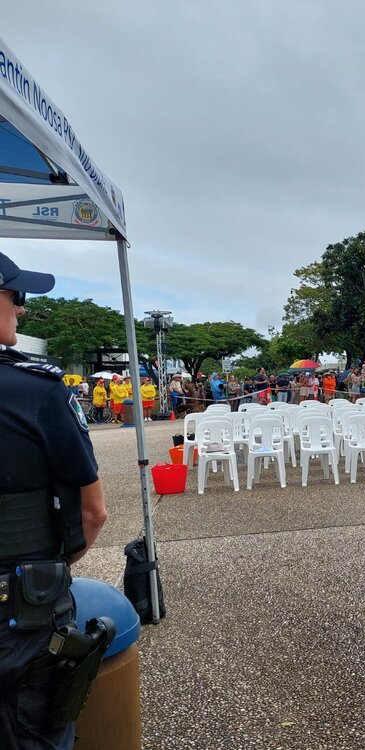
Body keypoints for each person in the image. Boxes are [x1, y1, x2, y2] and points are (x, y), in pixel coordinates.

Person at [0, 251, 108, 749]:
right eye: (16, 296)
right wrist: (51, 569)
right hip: (23, 615)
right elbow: (92, 513)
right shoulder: (38, 391)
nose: (21, 310)